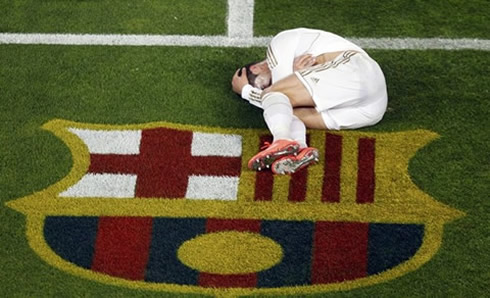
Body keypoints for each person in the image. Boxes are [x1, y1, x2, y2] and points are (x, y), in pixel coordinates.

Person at [232, 28, 388, 175]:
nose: (270, 85)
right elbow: (284, 104)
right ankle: (300, 148)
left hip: (358, 69)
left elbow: (279, 94)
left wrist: (247, 92)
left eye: (265, 83)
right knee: (287, 112)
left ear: (256, 68)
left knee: (275, 96)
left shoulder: (280, 43)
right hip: (371, 109)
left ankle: (281, 139)